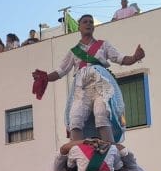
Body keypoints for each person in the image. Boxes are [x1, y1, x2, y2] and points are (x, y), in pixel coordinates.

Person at [44, 14, 145, 143]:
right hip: (82, 87)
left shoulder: (103, 45)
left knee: (101, 112)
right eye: (85, 22)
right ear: (79, 27)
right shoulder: (74, 51)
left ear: (93, 27)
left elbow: (120, 58)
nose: (88, 24)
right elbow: (61, 71)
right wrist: (45, 78)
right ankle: (78, 150)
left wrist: (135, 57)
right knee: (75, 117)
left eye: (91, 22)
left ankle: (109, 147)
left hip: (100, 84)